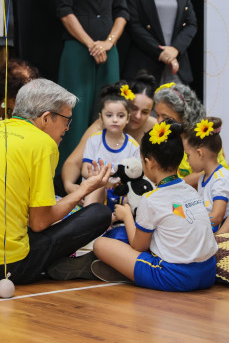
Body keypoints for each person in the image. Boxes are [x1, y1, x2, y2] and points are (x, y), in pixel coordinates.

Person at [0, 79, 113, 285]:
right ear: (45, 118)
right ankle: (56, 264)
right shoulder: (43, 144)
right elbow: (39, 222)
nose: (67, 128)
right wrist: (84, 189)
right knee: (99, 213)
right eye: (66, 120)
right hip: (4, 267)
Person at [91, 119, 218, 291]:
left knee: (101, 244)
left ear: (150, 163)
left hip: (174, 276)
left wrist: (127, 214)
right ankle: (126, 271)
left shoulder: (151, 199)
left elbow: (138, 246)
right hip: (208, 272)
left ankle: (124, 272)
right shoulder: (191, 190)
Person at [55, 0, 128, 167]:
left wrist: (108, 43)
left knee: (109, 114)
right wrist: (90, 43)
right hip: (77, 51)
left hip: (109, 53)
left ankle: (106, 174)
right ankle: (67, 179)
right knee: (73, 115)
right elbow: (64, 11)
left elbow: (122, 12)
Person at [62, 74, 157, 196]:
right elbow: (73, 162)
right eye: (134, 108)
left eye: (145, 112)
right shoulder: (101, 128)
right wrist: (69, 185)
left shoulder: (154, 128)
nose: (138, 116)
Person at [183, 117, 229, 235]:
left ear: (200, 153)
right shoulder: (202, 178)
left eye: (188, 155)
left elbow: (216, 216)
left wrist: (193, 223)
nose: (187, 160)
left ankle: (219, 241)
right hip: (214, 227)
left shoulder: (221, 178)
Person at [152, 82, 229, 184]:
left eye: (165, 117)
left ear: (184, 115)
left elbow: (214, 172)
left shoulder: (204, 135)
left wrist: (174, 184)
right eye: (157, 115)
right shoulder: (163, 138)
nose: (159, 121)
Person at [79, 84, 141, 207]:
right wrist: (102, 180)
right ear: (100, 117)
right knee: (96, 188)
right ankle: (88, 220)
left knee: (138, 197)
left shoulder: (133, 146)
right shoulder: (94, 140)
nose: (115, 120)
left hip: (119, 194)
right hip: (95, 189)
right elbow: (85, 170)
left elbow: (135, 176)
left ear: (128, 118)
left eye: (120, 115)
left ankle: (115, 218)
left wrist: (116, 184)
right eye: (109, 115)